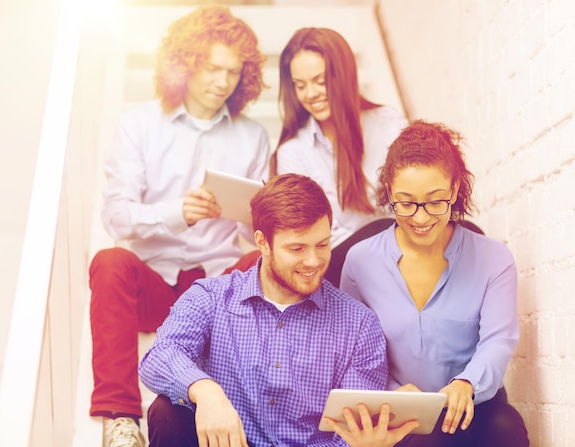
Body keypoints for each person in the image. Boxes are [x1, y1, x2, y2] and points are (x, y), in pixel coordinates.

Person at [88, 6, 270, 447]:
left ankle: (248, 406)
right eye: (212, 68)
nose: (222, 81)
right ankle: (121, 418)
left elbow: (255, 236)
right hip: (154, 283)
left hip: (217, 291)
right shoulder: (138, 125)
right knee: (110, 261)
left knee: (258, 260)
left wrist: (249, 213)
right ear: (186, 64)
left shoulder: (254, 136)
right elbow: (116, 215)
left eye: (232, 72)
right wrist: (177, 213)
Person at [138, 173, 418, 447]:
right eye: (297, 248)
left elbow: (346, 436)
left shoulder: (359, 325)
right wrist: (206, 391)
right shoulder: (211, 298)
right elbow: (158, 357)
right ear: (262, 242)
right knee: (166, 412)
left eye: (322, 245)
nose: (313, 261)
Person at [340, 120, 530, 447]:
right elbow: (351, 350)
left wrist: (465, 383)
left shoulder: (494, 259)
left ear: (454, 190)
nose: (421, 218)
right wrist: (389, 392)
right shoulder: (360, 262)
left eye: (435, 201)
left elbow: (498, 341)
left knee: (506, 426)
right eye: (406, 202)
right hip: (398, 416)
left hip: (472, 410)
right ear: (389, 192)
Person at [271, 27, 408, 286]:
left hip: (401, 251)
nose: (310, 94)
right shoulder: (293, 152)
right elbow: (311, 235)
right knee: (379, 233)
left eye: (320, 81)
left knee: (466, 235)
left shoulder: (388, 125)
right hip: (337, 262)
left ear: (343, 76)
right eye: (300, 85)